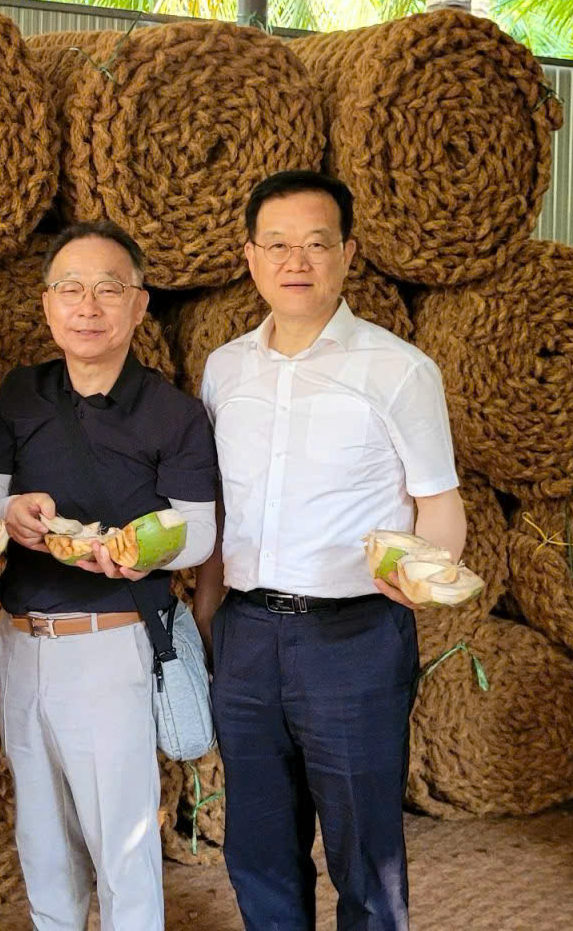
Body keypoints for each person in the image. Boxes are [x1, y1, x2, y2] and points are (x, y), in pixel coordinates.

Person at [195, 171, 467, 931]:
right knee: (256, 842)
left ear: (348, 253)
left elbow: (440, 506)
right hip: (247, 634)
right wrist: (212, 609)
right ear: (249, 256)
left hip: (355, 636)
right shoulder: (224, 370)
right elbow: (223, 505)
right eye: (277, 243)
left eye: (317, 243)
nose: (297, 260)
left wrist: (423, 577)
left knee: (363, 849)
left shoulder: (400, 370)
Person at [0, 222, 219, 931]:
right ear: (47, 305)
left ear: (139, 306)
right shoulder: (23, 392)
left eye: (109, 289)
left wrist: (145, 548)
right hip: (20, 642)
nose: (88, 306)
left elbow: (199, 530)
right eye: (70, 289)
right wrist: (10, 511)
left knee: (122, 840)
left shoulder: (174, 412)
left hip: (114, 645)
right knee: (42, 839)